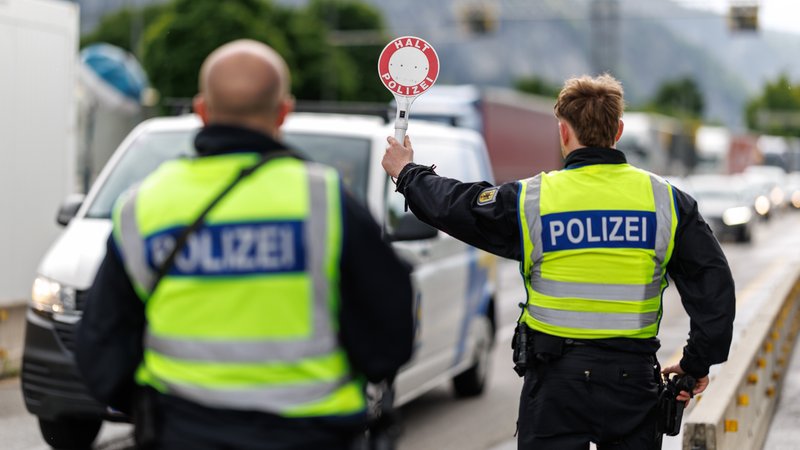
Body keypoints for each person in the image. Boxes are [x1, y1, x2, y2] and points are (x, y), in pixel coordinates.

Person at [76, 39, 414, 449]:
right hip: (309, 436)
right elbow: (391, 335)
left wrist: (161, 414)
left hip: (184, 435)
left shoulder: (143, 206)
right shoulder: (325, 200)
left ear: (201, 110)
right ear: (284, 111)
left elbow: (99, 347)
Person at [382, 74, 735, 449]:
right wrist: (695, 364)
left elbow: (459, 206)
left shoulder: (532, 200)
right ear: (618, 131)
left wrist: (407, 173)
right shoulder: (668, 202)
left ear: (563, 132)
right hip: (631, 385)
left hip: (555, 385)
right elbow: (714, 289)